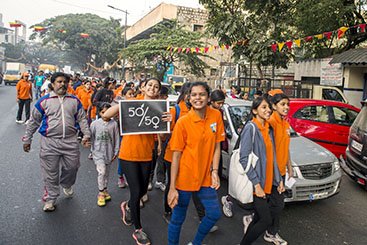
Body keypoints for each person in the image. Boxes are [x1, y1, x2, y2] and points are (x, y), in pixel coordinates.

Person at [103, 77, 170, 245]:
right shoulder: (133, 103)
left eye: (156, 87)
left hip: (147, 155)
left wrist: (166, 123)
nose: (153, 88)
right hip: (128, 155)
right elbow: (106, 115)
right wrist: (123, 105)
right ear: (143, 87)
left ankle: (127, 206)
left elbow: (162, 136)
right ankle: (138, 230)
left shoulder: (160, 109)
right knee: (135, 191)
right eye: (150, 85)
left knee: (141, 191)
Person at [22, 72, 91, 212]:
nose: (62, 84)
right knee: (50, 172)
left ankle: (67, 184)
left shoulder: (74, 100)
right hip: (50, 142)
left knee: (72, 167)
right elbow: (33, 121)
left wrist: (86, 135)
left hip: (70, 142)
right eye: (59, 82)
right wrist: (27, 139)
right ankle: (50, 199)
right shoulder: (44, 101)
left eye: (65, 82)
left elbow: (82, 119)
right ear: (53, 84)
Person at [167, 82, 224, 245]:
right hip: (184, 179)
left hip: (206, 178)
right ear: (189, 98)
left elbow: (217, 146)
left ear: (208, 97)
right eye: (194, 95)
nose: (198, 98)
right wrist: (172, 188)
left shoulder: (216, 115)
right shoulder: (183, 122)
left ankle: (196, 242)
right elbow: (176, 156)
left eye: (202, 94)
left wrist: (214, 171)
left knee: (214, 214)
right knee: (178, 219)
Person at [239, 97, 284, 245]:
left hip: (269, 181)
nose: (268, 110)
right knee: (265, 220)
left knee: (258, 218)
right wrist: (257, 184)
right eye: (263, 107)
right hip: (257, 183)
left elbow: (273, 158)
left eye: (268, 107)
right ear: (254, 111)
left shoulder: (268, 129)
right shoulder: (251, 128)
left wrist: (279, 180)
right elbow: (244, 158)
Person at [263, 90, 292, 245]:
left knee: (272, 203)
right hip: (271, 172)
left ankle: (254, 218)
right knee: (278, 204)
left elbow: (285, 148)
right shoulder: (271, 124)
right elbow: (271, 152)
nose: (286, 107)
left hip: (281, 171)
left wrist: (290, 168)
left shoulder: (285, 123)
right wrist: (277, 178)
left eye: (288, 104)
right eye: (282, 104)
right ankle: (271, 232)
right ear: (274, 106)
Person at [90, 103, 119, 207]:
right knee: (101, 172)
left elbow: (116, 138)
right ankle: (101, 192)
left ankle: (105, 190)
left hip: (109, 152)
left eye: (108, 112)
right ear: (99, 112)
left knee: (106, 173)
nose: (105, 115)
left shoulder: (114, 124)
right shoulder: (94, 124)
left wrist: (116, 151)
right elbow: (91, 138)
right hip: (98, 153)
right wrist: (91, 151)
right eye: (103, 112)